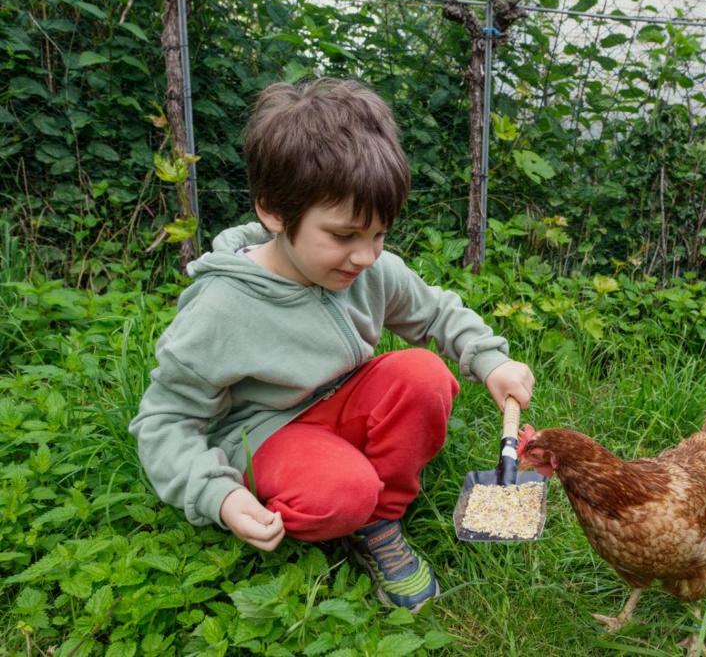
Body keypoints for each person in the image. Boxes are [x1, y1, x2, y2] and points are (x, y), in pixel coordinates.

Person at [129, 78, 534, 613]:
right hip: (267, 432)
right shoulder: (221, 309)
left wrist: (490, 359)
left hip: (343, 403)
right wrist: (218, 494)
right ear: (275, 212)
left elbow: (435, 312)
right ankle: (353, 498)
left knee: (424, 375)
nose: (365, 256)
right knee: (341, 493)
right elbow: (163, 422)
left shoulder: (368, 269)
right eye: (344, 236)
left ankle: (380, 520)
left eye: (379, 235)